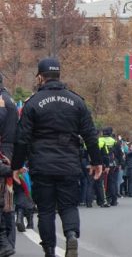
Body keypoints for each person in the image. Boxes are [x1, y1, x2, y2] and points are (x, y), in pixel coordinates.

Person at [12, 58, 103, 257]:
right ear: (59, 75)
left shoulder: (32, 102)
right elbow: (90, 135)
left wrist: (17, 166)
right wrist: (96, 162)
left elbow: (22, 139)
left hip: (42, 165)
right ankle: (71, 235)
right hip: (69, 163)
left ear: (40, 77)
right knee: (68, 205)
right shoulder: (77, 101)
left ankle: (50, 251)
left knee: (45, 210)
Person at [0, 74, 17, 255]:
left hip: (3, 152)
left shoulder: (2, 102)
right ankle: (9, 242)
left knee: (4, 201)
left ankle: (6, 243)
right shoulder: (8, 99)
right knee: (8, 202)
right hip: (10, 152)